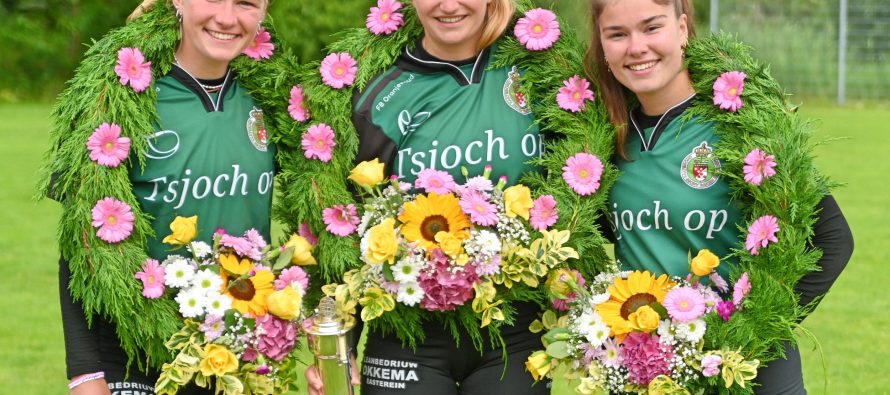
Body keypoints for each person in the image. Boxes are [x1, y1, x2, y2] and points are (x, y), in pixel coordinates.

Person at [586, 0, 853, 393]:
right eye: (618, 34)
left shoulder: (741, 124)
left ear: (682, 28)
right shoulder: (597, 142)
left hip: (745, 370)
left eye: (651, 27)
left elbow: (832, 239)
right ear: (603, 45)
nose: (636, 47)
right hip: (644, 372)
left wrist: (752, 333)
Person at [305, 0, 554, 394]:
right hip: (406, 333)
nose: (448, 5)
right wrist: (338, 347)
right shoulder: (373, 91)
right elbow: (339, 224)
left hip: (514, 330)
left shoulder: (542, 73)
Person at [40, 0, 286, 393]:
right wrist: (85, 373)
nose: (226, 17)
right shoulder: (121, 96)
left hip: (238, 355)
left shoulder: (276, 102)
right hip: (132, 358)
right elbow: (81, 245)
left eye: (246, 3)